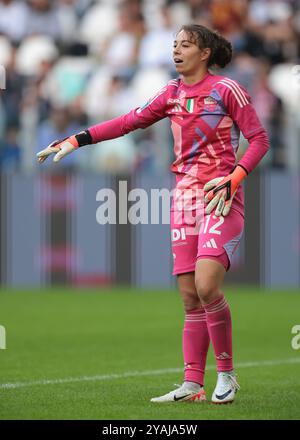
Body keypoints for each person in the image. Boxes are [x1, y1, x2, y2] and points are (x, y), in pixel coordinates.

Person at [37, 24, 269, 404]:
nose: (176, 50)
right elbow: (127, 122)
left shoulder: (227, 90)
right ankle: (192, 383)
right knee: (190, 297)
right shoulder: (171, 93)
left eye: (186, 45)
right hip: (183, 199)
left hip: (220, 196)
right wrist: (76, 139)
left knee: (208, 286)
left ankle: (226, 374)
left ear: (205, 52)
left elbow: (259, 138)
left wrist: (234, 177)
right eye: (174, 44)